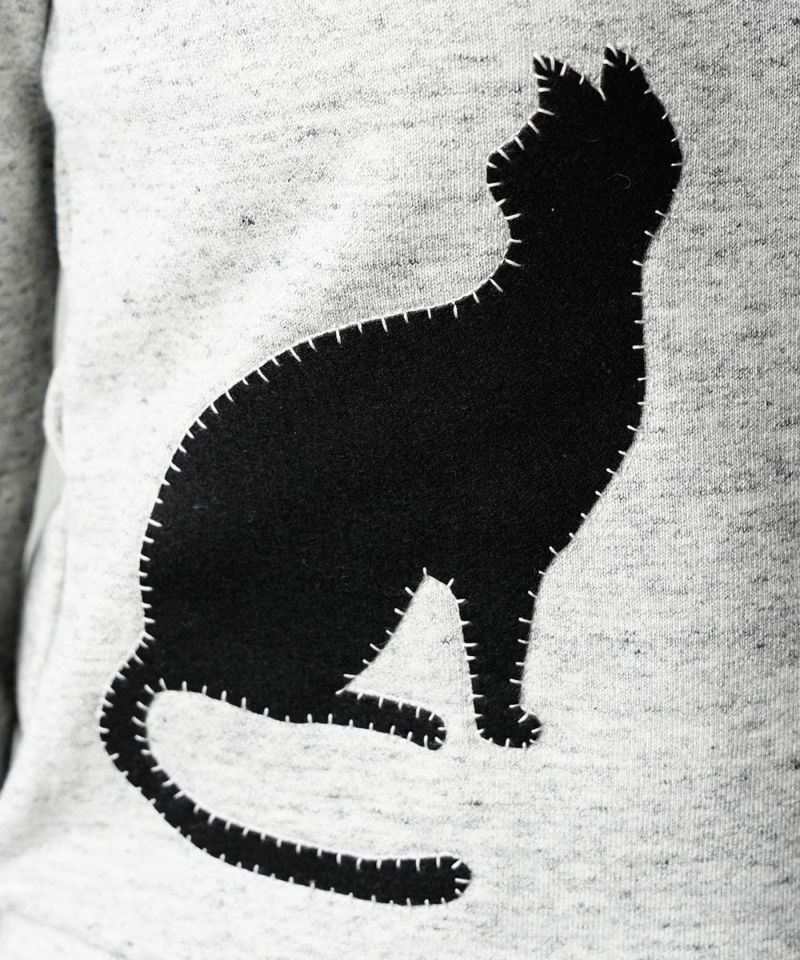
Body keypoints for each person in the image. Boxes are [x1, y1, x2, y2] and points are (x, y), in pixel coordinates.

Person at [0, 2, 796, 957]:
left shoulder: (551, 347)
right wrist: (496, 710)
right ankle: (311, 693)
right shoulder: (554, 355)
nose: (502, 165)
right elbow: (496, 560)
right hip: (163, 912)